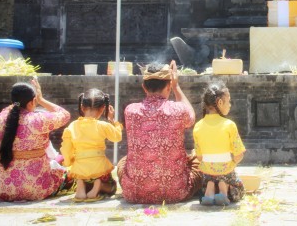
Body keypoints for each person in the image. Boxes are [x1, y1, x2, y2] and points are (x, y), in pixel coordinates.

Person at [117, 60, 203, 204]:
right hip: (176, 192)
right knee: (197, 161)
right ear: (168, 86)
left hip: (134, 193)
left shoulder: (130, 110)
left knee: (122, 162)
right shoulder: (178, 110)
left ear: (144, 87)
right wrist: (177, 87)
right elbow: (191, 118)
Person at [0, 79, 71, 201]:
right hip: (36, 189)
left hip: (2, 188)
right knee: (70, 174)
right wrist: (41, 100)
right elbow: (65, 115)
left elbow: (14, 108)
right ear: (33, 101)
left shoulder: (1, 118)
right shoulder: (38, 119)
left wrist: (22, 101)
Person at [60, 89, 123, 201]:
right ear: (103, 108)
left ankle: (80, 185)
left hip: (80, 168)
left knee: (80, 177)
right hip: (99, 167)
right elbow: (117, 137)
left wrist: (69, 162)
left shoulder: (72, 126)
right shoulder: (103, 125)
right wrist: (112, 120)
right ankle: (100, 185)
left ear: (82, 107)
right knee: (112, 187)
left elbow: (66, 149)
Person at [194, 82, 246, 206]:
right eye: (228, 101)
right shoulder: (229, 125)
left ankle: (210, 191)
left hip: (208, 172)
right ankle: (224, 190)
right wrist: (230, 165)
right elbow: (239, 155)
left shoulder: (198, 126)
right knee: (239, 188)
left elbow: (200, 157)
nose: (230, 105)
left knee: (211, 176)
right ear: (220, 102)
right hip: (226, 170)